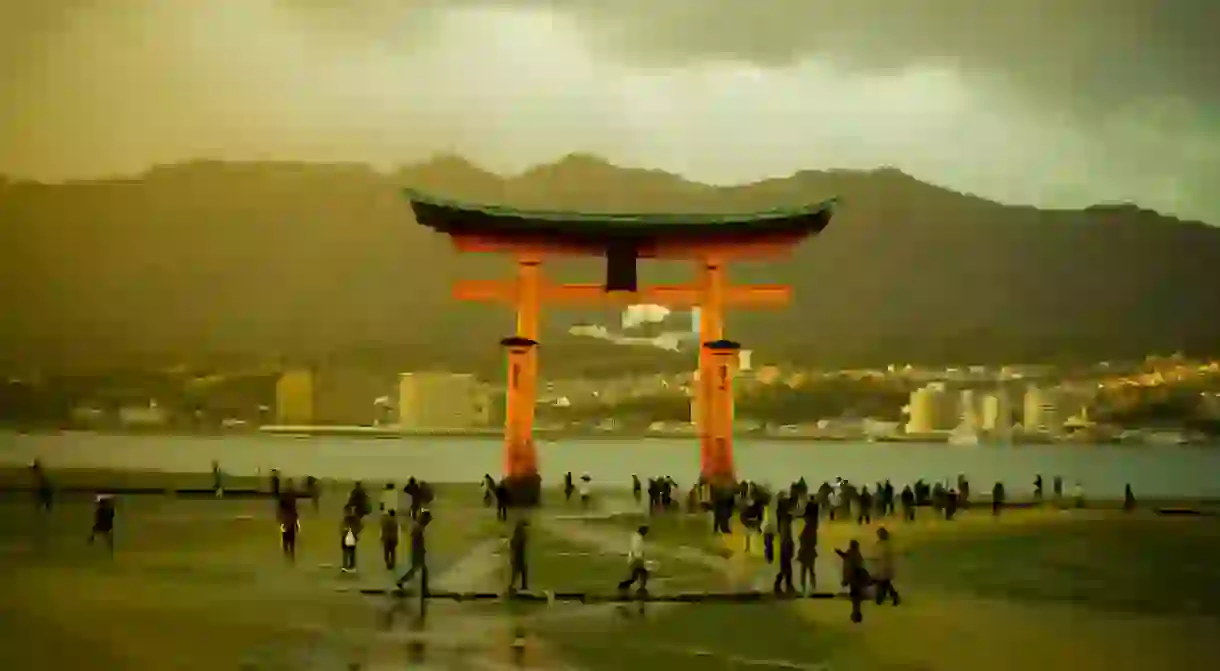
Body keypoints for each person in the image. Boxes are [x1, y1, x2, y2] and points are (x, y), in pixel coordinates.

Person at [395, 510, 432, 593]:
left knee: (415, 569)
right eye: (427, 520)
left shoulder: (418, 525)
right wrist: (419, 549)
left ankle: (401, 581)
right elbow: (415, 538)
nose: (428, 522)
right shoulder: (417, 526)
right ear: (424, 518)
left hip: (417, 551)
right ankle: (424, 589)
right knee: (422, 570)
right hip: (417, 551)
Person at [835, 540, 869, 624]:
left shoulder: (852, 553)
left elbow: (847, 559)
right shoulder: (856, 554)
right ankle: (856, 612)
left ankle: (856, 611)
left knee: (855, 595)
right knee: (856, 596)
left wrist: (839, 552)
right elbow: (856, 563)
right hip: (855, 577)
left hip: (853, 577)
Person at [872, 527, 900, 606]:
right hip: (882, 567)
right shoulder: (883, 544)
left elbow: (881, 555)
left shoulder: (885, 545)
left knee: (883, 583)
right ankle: (883, 598)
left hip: (884, 567)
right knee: (884, 583)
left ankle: (881, 598)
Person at [618, 525, 649, 593]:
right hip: (636, 559)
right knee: (643, 574)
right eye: (646, 532)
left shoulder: (637, 537)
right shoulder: (638, 538)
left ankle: (623, 585)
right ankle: (641, 589)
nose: (646, 533)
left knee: (635, 576)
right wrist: (639, 559)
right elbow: (636, 549)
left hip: (635, 559)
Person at [773, 521, 796, 596]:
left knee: (787, 568)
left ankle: (789, 586)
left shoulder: (785, 521)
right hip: (785, 546)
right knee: (785, 569)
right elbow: (785, 536)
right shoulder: (784, 521)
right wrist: (789, 545)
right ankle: (778, 584)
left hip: (786, 545)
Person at [797, 514, 818, 595]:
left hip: (805, 552)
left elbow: (801, 539)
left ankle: (803, 586)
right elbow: (815, 542)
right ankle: (813, 585)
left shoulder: (805, 530)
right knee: (811, 570)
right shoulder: (813, 531)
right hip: (810, 552)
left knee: (804, 570)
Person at [507, 518, 529, 593]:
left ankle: (521, 586)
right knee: (518, 572)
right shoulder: (520, 534)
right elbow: (515, 545)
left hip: (519, 556)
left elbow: (512, 544)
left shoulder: (518, 534)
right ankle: (515, 587)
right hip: (518, 556)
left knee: (521, 572)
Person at [279, 490, 301, 562]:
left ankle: (289, 556)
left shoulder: (285, 510)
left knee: (287, 543)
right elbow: (295, 517)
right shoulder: (291, 509)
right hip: (290, 526)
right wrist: (297, 526)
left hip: (287, 526)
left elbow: (281, 518)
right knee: (290, 543)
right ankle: (291, 557)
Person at [340, 505, 362, 573]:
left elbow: (359, 526)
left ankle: (350, 565)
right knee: (346, 551)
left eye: (347, 511)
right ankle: (347, 565)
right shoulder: (346, 519)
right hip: (346, 536)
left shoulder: (354, 519)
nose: (346, 513)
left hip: (350, 536)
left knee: (350, 552)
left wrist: (353, 531)